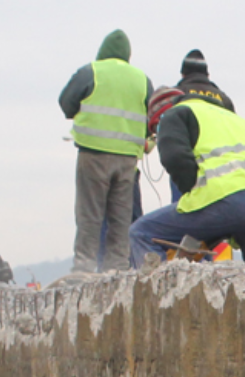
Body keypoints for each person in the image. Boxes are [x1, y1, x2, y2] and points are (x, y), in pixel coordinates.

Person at [129, 93, 245, 266]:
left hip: (228, 199)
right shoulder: (234, 119)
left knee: (141, 232)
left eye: (156, 132)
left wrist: (193, 194)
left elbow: (175, 158)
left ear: (159, 117)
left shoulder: (173, 114)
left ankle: (158, 283)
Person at [59, 30, 152, 274]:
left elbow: (66, 104)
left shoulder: (91, 71)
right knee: (121, 218)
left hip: (93, 155)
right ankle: (117, 269)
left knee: (90, 214)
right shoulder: (142, 80)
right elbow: (151, 118)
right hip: (127, 159)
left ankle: (84, 267)